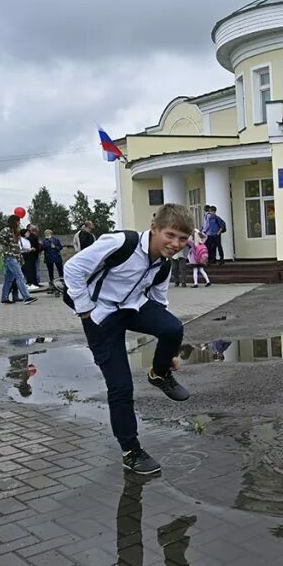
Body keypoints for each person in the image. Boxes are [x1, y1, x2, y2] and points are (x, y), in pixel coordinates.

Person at [64, 203, 193, 475]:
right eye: (170, 235)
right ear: (154, 229)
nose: (175, 243)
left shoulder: (163, 265)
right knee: (120, 387)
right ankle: (131, 451)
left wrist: (167, 352)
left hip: (132, 308)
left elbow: (159, 303)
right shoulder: (122, 242)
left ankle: (159, 374)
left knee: (172, 327)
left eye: (182, 239)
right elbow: (73, 268)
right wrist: (85, 309)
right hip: (101, 316)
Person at [0, 215, 38, 305]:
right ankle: (26, 297)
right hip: (10, 256)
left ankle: (4, 298)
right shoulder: (7, 229)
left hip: (15, 256)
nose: (19, 223)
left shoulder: (15, 231)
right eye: (18, 221)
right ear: (14, 221)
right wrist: (7, 244)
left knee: (9, 279)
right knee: (19, 276)